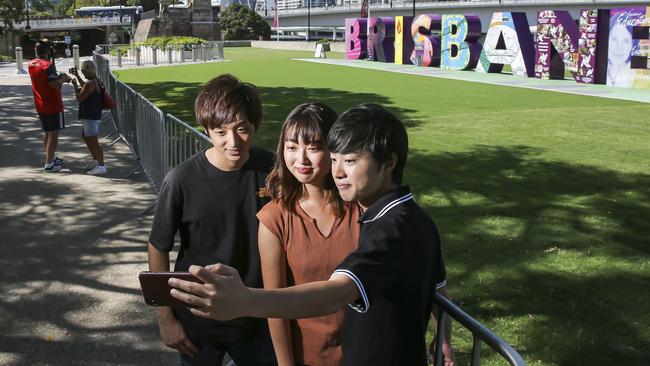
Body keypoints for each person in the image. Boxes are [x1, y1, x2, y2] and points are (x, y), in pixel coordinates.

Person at [169, 103, 456, 365]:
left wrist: (245, 300)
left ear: (389, 163)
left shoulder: (377, 218)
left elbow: (341, 291)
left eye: (350, 160)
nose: (339, 171)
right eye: (292, 147)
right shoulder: (277, 218)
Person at [147, 74, 276, 366]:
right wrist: (165, 318)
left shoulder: (273, 171)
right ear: (207, 130)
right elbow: (158, 246)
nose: (233, 142)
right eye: (220, 132)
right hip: (197, 321)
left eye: (242, 129)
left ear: (255, 124)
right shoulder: (181, 180)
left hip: (257, 319)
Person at [258, 103, 361, 366]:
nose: (301, 159)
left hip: (367, 353)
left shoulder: (362, 208)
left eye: (313, 148)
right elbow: (274, 305)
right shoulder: (274, 219)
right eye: (292, 147)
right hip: (309, 358)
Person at [28, 41, 70, 172]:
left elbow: (45, 80)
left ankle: (50, 157)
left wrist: (57, 78)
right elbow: (53, 84)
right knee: (54, 134)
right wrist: (63, 79)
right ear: (47, 52)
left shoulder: (31, 64)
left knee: (47, 132)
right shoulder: (48, 65)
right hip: (53, 104)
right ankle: (49, 163)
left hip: (40, 103)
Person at [70, 60, 107, 175]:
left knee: (93, 140)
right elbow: (85, 87)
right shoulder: (94, 80)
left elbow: (80, 98)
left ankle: (101, 166)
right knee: (86, 137)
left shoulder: (90, 84)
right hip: (92, 114)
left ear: (86, 70)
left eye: (83, 71)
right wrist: (77, 75)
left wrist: (75, 86)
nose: (83, 73)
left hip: (90, 115)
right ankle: (96, 161)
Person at [607, 14, 635, 87]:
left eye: (625, 41)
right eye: (614, 39)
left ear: (632, 45)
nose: (618, 47)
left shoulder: (638, 76)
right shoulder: (594, 71)